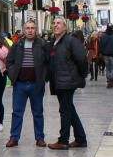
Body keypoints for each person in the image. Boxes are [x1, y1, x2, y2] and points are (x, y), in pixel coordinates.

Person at [5, 19, 48, 148]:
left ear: (36, 30)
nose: (30, 30)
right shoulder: (17, 44)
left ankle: (40, 138)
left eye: (32, 28)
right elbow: (9, 61)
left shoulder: (42, 44)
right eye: (28, 28)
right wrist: (13, 75)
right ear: (24, 30)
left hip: (36, 84)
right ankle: (14, 137)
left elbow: (48, 62)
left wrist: (43, 76)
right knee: (17, 112)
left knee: (38, 112)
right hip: (20, 84)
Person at [47, 16, 87, 150]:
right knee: (69, 109)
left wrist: (81, 76)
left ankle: (63, 140)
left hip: (67, 81)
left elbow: (82, 59)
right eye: (54, 23)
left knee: (64, 110)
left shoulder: (71, 41)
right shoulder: (55, 42)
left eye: (59, 23)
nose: (55, 25)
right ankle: (80, 139)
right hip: (59, 81)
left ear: (65, 27)